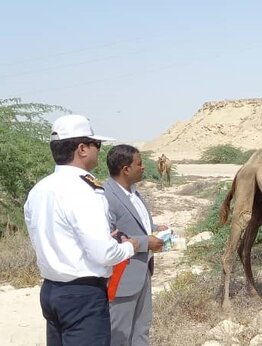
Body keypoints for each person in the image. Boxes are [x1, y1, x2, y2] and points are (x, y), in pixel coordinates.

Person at [24, 114, 139, 346]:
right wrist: (129, 247)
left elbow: (49, 237)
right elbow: (104, 255)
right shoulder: (86, 190)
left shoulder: (40, 189)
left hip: (51, 290)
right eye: (97, 145)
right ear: (82, 149)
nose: (99, 150)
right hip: (82, 294)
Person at [103, 144, 168, 346]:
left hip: (143, 272)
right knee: (119, 335)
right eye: (139, 164)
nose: (143, 167)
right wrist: (144, 242)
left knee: (141, 330)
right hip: (122, 277)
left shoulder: (132, 192)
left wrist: (156, 228)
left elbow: (134, 222)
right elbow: (106, 236)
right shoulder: (105, 195)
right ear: (126, 169)